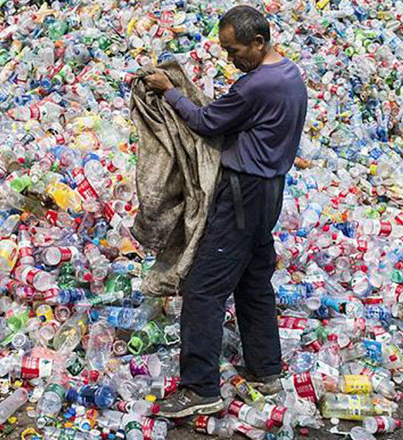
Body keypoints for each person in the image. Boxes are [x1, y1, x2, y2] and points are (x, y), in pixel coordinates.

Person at [143, 5, 308, 417]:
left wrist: (170, 90)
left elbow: (204, 121)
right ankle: (266, 370)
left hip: (241, 194)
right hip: (270, 192)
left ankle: (200, 389)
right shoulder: (289, 74)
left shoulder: (256, 86)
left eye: (236, 51)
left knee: (203, 288)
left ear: (259, 42)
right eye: (225, 50)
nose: (231, 59)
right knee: (254, 282)